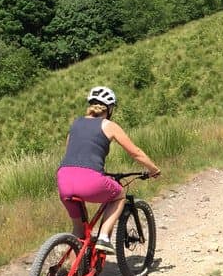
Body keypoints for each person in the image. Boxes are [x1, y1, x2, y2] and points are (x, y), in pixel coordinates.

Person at [57, 86, 160, 253]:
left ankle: (70, 274)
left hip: (64, 179)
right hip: (90, 180)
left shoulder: (75, 124)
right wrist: (153, 169)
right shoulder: (109, 125)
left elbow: (70, 151)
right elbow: (135, 153)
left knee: (78, 232)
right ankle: (104, 237)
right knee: (119, 195)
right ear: (110, 108)